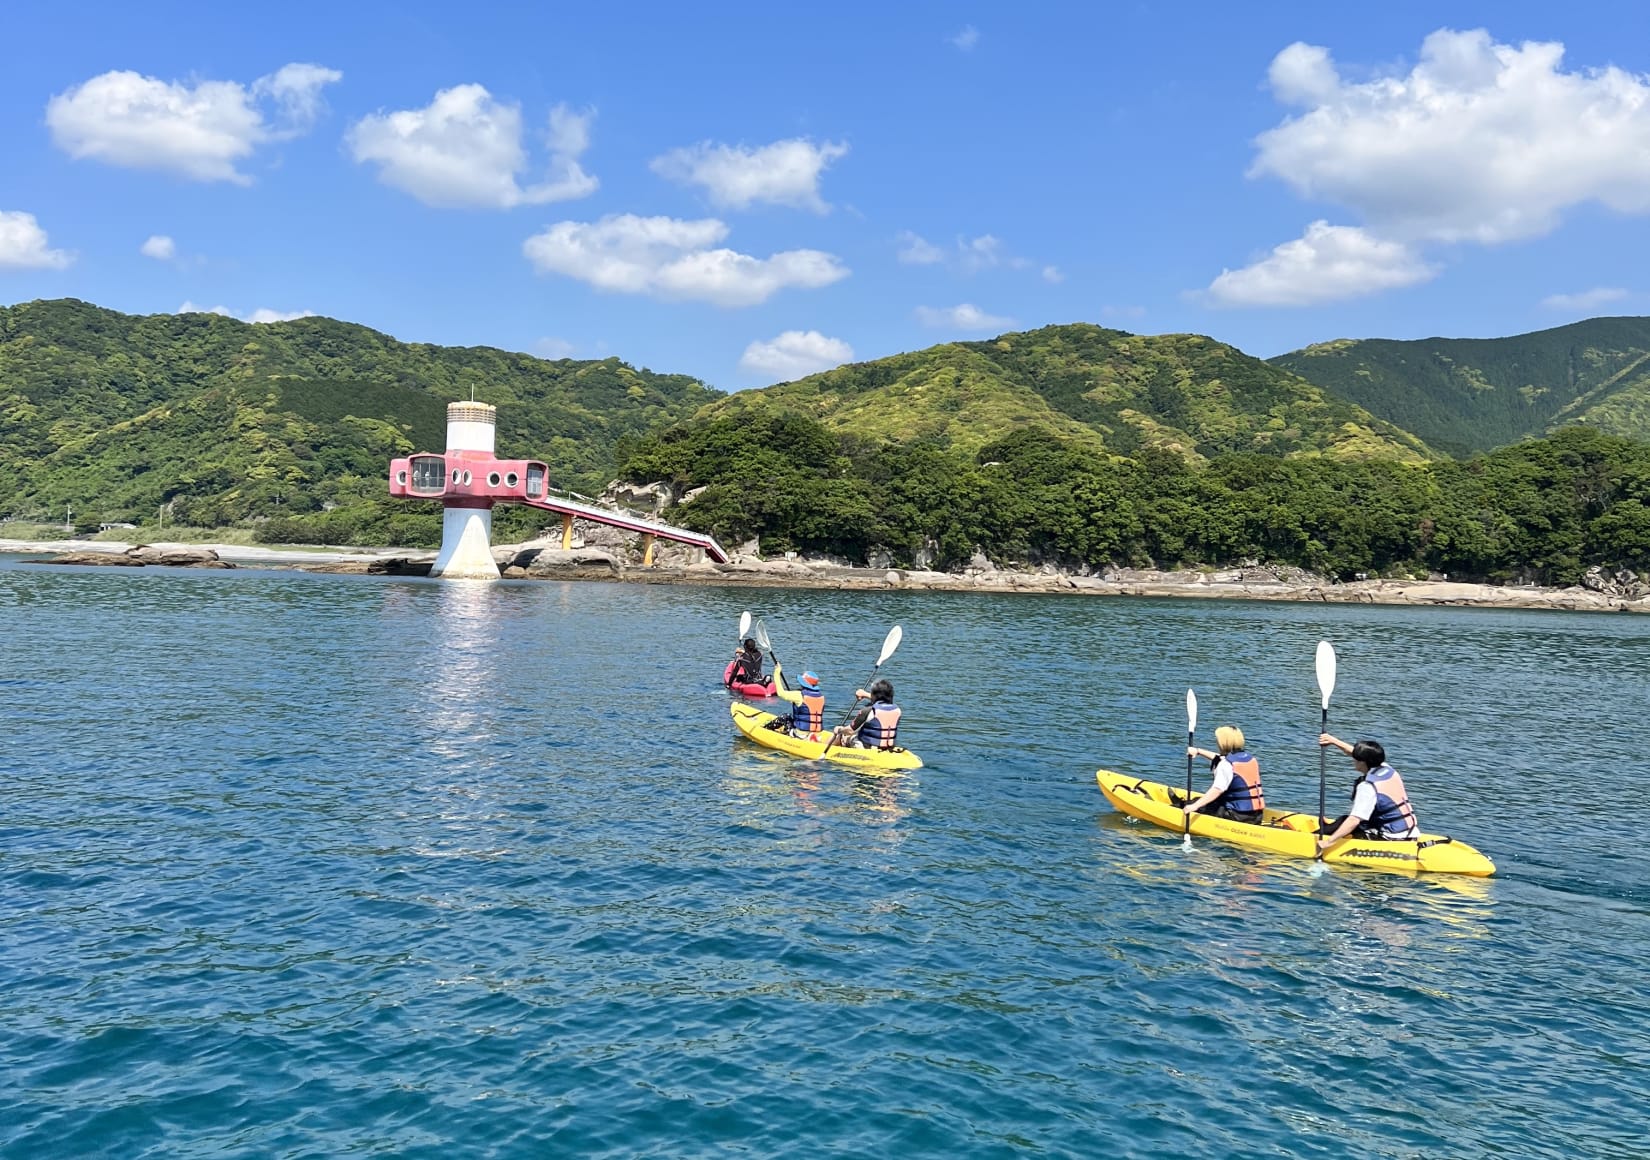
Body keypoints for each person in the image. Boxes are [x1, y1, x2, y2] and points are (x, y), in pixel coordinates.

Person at [1316, 734, 1419, 851]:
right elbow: (1356, 753)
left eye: (1356, 759)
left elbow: (1354, 820)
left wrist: (1328, 843)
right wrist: (1333, 741)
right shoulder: (1388, 769)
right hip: (1409, 832)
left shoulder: (1367, 787)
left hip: (1390, 838)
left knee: (1347, 821)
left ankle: (1319, 836)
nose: (1353, 760)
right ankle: (1327, 829)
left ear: (1363, 762)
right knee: (1344, 820)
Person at [1181, 725, 1265, 823]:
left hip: (1235, 816)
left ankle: (1179, 806)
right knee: (1198, 801)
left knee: (1197, 803)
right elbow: (1220, 758)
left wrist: (1194, 806)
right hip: (1257, 815)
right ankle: (1182, 803)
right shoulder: (1250, 759)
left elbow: (1217, 789)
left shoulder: (1226, 764)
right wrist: (1198, 751)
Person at [831, 679, 901, 749]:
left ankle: (828, 749)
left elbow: (850, 731)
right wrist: (864, 694)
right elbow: (884, 701)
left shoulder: (868, 711)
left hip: (867, 747)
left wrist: (839, 730)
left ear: (873, 694)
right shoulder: (897, 710)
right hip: (888, 747)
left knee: (842, 735)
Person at [772, 664, 826, 737]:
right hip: (818, 734)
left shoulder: (799, 695)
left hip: (801, 734)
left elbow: (780, 693)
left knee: (785, 717)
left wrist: (777, 672)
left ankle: (766, 730)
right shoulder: (821, 697)